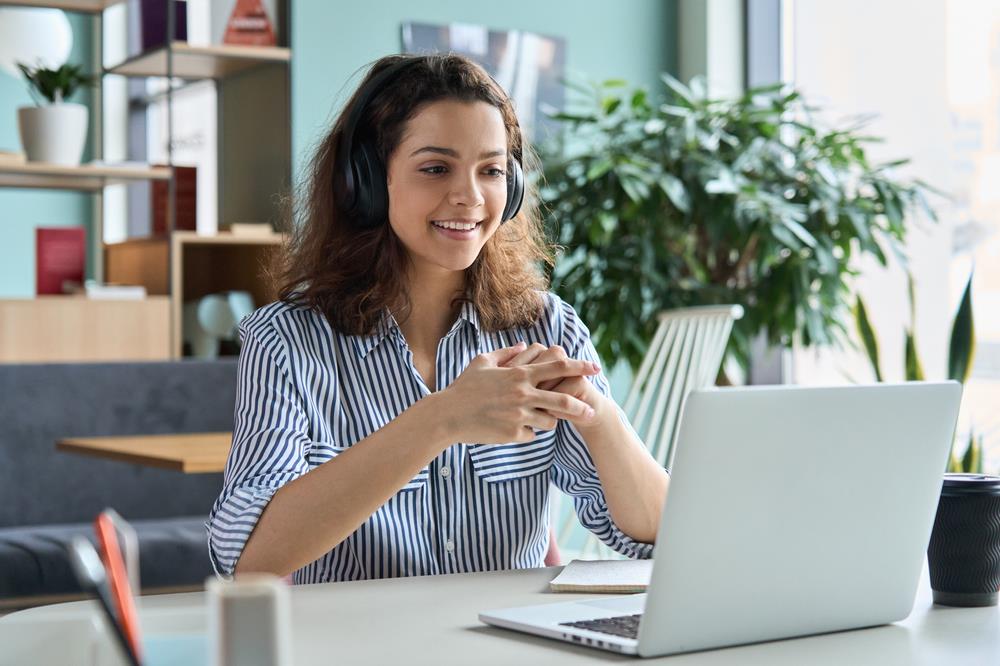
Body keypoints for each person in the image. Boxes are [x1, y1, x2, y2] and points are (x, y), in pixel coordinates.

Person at [207, 53, 669, 583]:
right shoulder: (287, 340)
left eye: (492, 171)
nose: (469, 196)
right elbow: (246, 558)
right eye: (435, 168)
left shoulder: (547, 326)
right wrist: (442, 418)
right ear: (367, 182)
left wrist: (599, 415)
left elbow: (660, 537)